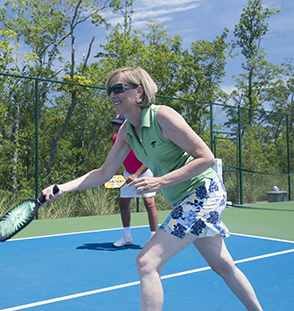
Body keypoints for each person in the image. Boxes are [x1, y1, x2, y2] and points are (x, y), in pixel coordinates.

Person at [42, 67, 263, 311]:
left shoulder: (162, 117)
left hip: (204, 192)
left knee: (147, 262)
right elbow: (103, 173)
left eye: (117, 89)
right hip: (185, 200)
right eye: (109, 91)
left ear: (139, 91)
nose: (112, 95)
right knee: (223, 266)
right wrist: (62, 188)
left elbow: (207, 158)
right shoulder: (126, 131)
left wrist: (160, 181)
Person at [110, 113, 158, 247]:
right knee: (123, 204)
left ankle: (153, 238)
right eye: (114, 124)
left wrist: (136, 175)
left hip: (145, 172)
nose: (116, 126)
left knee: (149, 203)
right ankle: (127, 237)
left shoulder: (140, 137)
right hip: (128, 174)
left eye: (119, 124)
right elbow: (117, 156)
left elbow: (150, 159)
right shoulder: (116, 138)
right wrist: (111, 173)